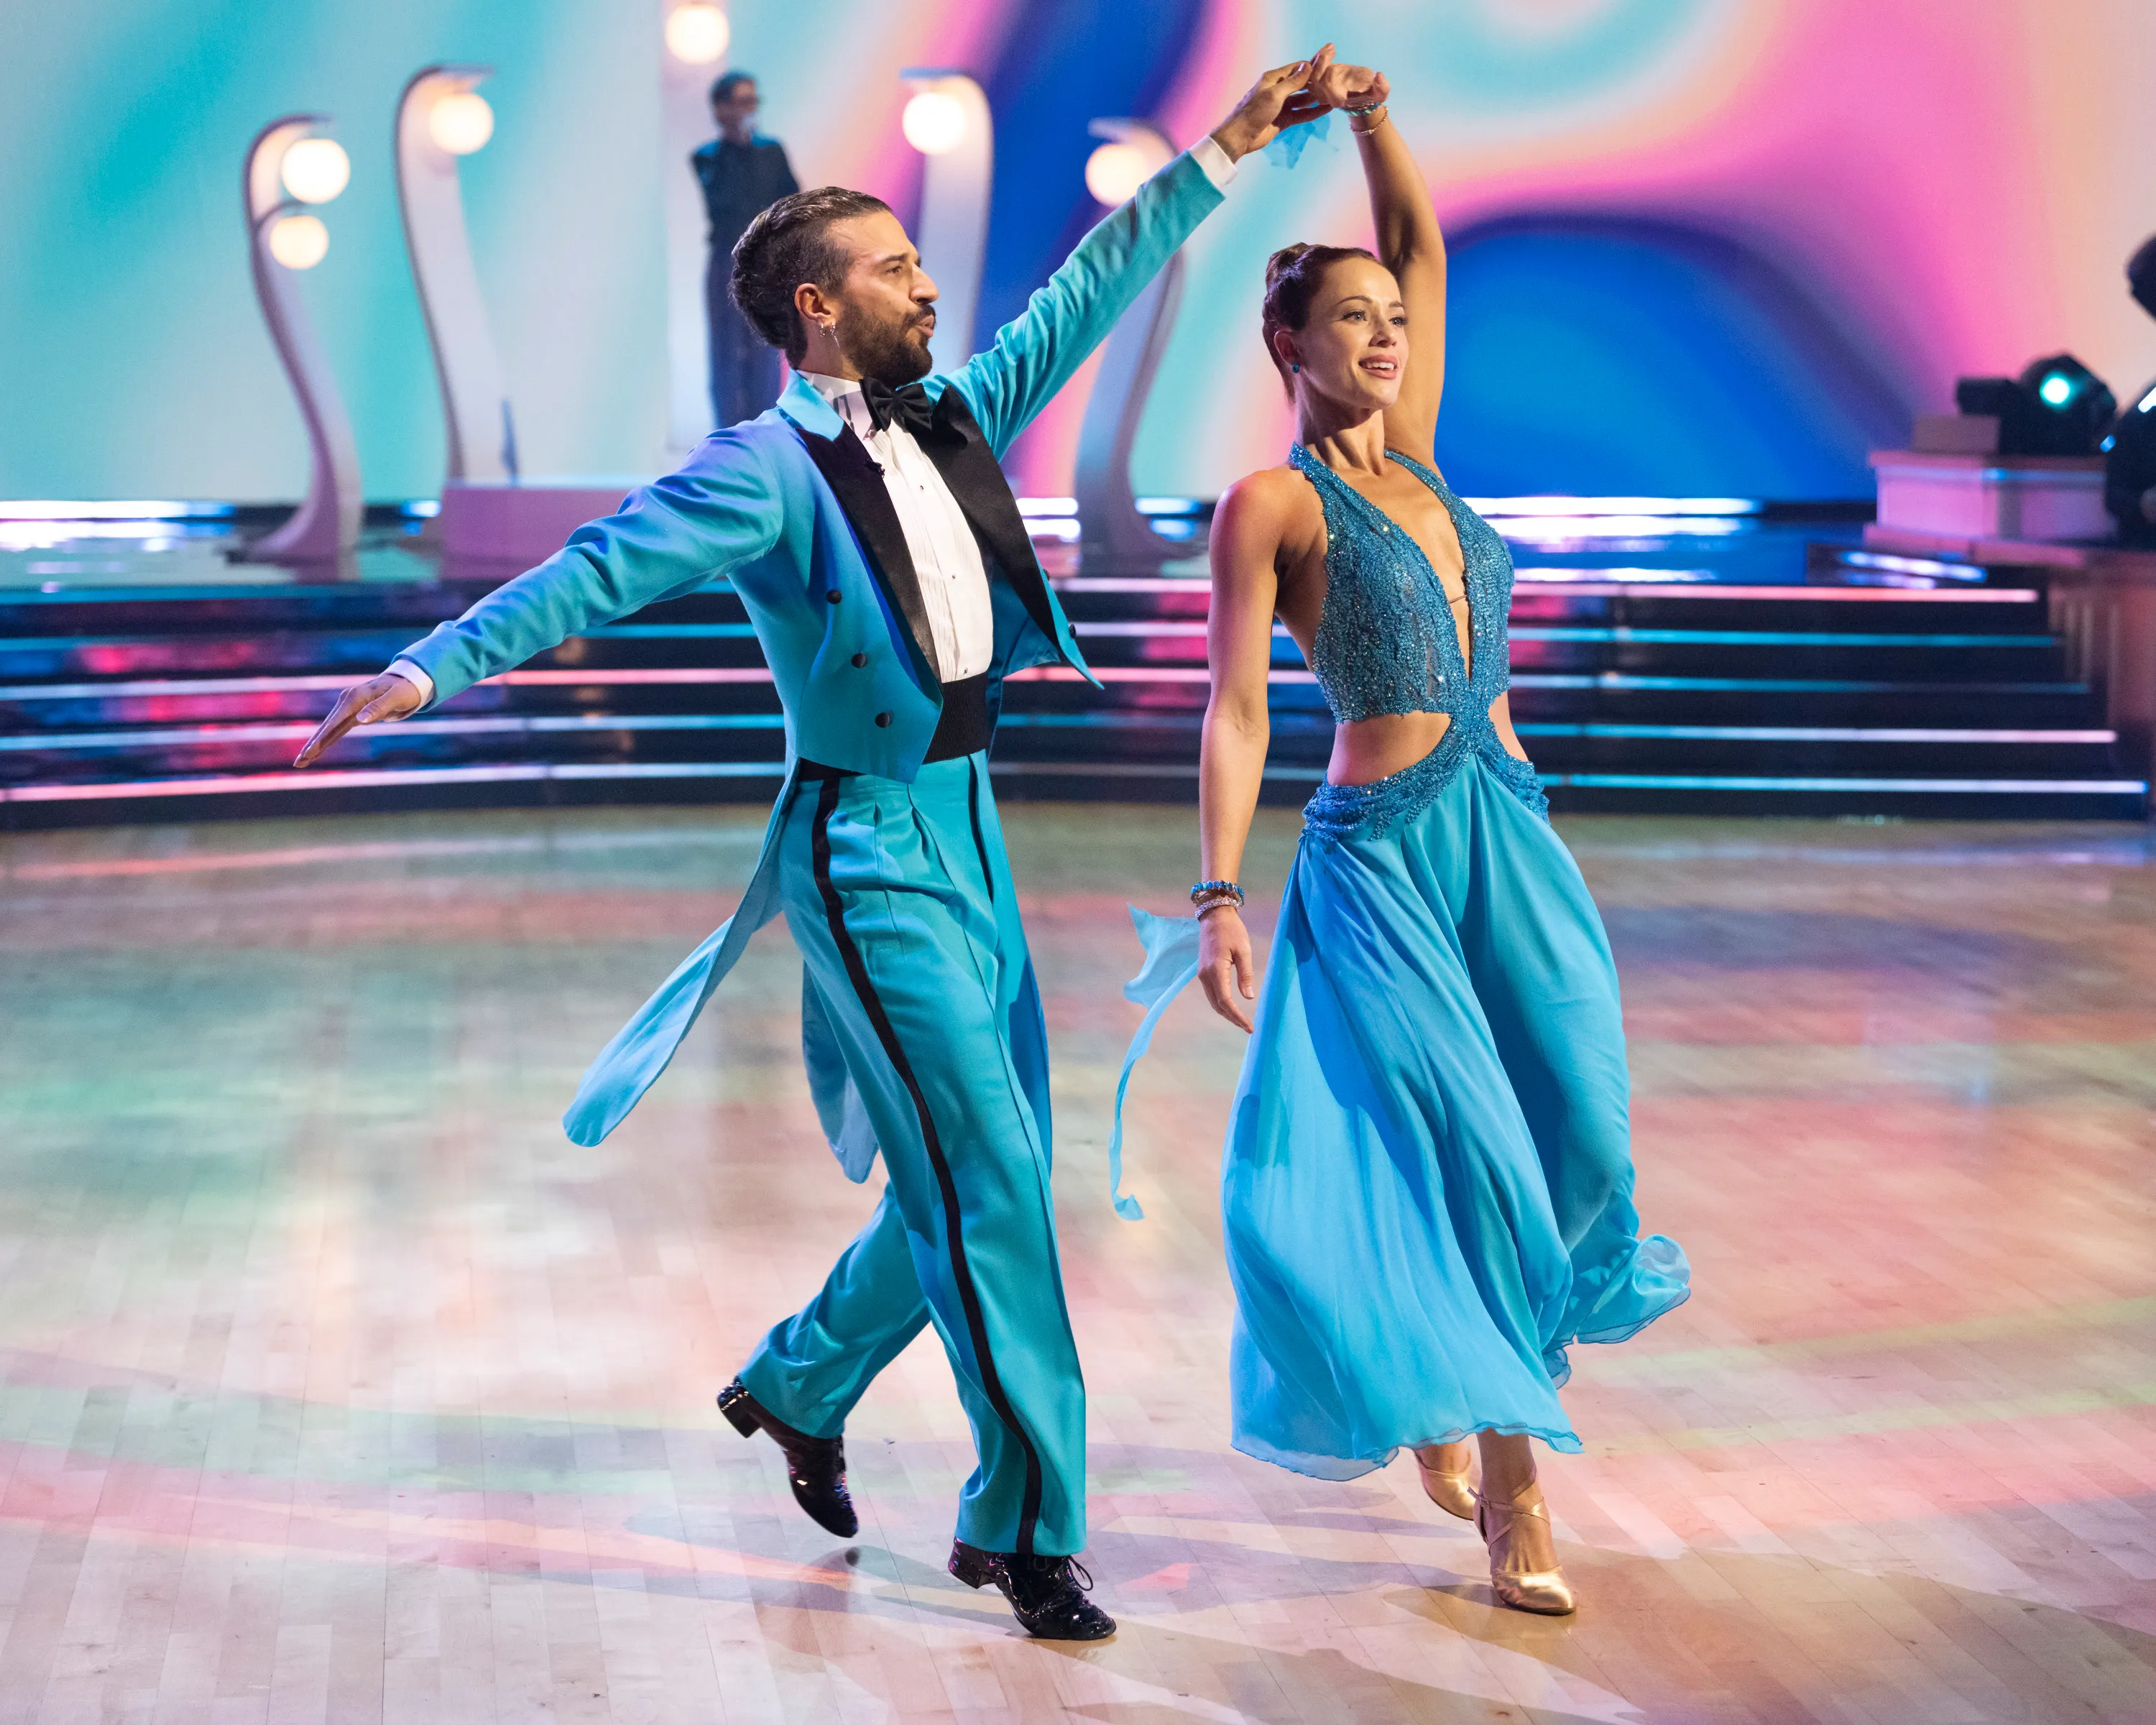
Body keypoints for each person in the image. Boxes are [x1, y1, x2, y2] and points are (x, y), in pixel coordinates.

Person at [292, 58, 1327, 1642]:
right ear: (819, 309)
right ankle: (1027, 1527)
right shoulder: (759, 471)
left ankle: (797, 1381)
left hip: (974, 826)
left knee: (980, 1166)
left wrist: (1230, 143)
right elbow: (596, 570)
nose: (928, 285)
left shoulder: (957, 409)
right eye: (897, 268)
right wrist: (427, 669)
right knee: (991, 1180)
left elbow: (1091, 285)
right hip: (866, 847)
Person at [1115, 49, 1690, 1616]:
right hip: (1380, 862)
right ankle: (1518, 1488)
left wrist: (1373, 120)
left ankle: (1451, 1380)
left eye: (1396, 318)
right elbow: (1237, 711)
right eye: (1354, 317)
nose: (1386, 333)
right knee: (1476, 1153)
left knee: (1578, 1130)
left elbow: (1423, 245)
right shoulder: (1272, 505)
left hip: (1514, 839)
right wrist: (1219, 894)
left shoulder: (1425, 455)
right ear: (1287, 344)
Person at [695, 71, 799, 427]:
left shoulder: (771, 152)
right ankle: (727, 435)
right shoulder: (708, 158)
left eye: (753, 102)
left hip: (765, 262)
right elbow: (723, 203)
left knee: (765, 349)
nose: (749, 110)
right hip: (725, 261)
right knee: (725, 352)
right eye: (741, 102)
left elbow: (791, 202)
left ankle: (762, 432)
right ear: (721, 108)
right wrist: (739, 146)